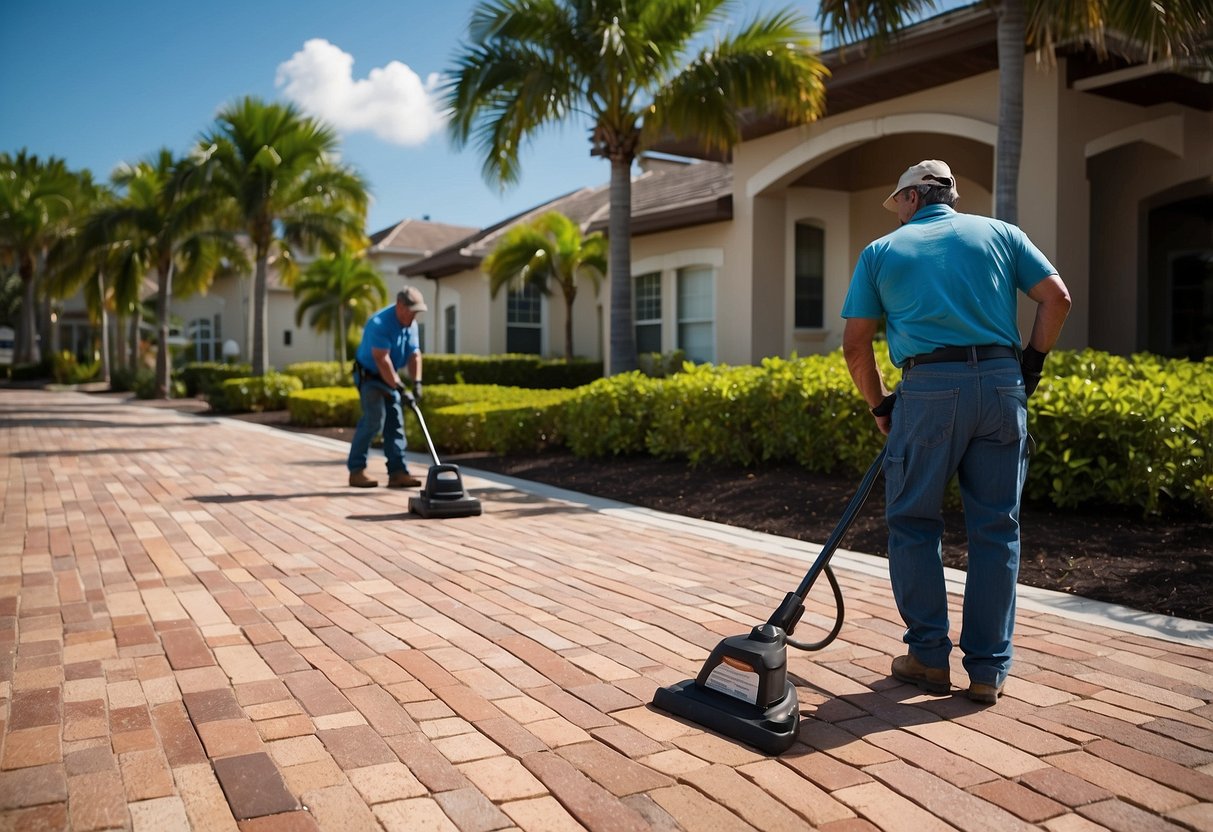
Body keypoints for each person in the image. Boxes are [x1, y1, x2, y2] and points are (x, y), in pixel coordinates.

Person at [840, 160, 1071, 704]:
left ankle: (927, 657)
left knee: (914, 520)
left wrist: (879, 405)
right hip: (1001, 384)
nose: (897, 213)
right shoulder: (1001, 234)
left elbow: (856, 345)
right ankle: (988, 670)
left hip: (928, 391)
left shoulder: (881, 252)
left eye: (897, 202)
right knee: (997, 528)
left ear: (914, 198)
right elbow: (1056, 298)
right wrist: (1030, 365)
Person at [348, 287, 427, 489]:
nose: (414, 315)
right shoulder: (379, 323)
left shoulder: (411, 324)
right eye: (412, 310)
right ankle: (356, 471)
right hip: (370, 376)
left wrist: (417, 383)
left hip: (388, 376)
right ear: (400, 306)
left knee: (395, 421)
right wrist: (401, 388)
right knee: (374, 419)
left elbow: (414, 355)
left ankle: (397, 472)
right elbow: (382, 360)